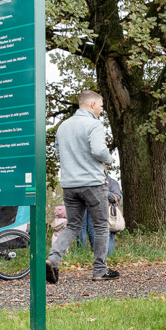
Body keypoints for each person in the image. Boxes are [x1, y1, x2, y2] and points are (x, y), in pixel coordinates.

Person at [47, 90, 118, 284]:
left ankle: (53, 259)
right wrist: (109, 159)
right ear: (93, 104)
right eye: (101, 106)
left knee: (72, 226)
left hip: (69, 185)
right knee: (102, 226)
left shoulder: (63, 127)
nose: (102, 110)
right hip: (92, 184)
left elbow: (59, 155)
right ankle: (99, 270)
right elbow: (98, 150)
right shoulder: (94, 124)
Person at [79, 168, 123, 256]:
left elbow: (116, 197)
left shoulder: (112, 182)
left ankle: (110, 259)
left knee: (108, 242)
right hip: (94, 215)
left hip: (108, 216)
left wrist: (102, 191)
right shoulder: (90, 183)